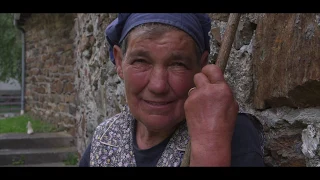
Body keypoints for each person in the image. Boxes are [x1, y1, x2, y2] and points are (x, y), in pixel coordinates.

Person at [79, 13, 265, 167]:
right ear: (119, 61)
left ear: (201, 66)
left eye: (177, 64)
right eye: (141, 61)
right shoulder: (105, 139)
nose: (158, 86)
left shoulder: (228, 132)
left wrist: (210, 148)